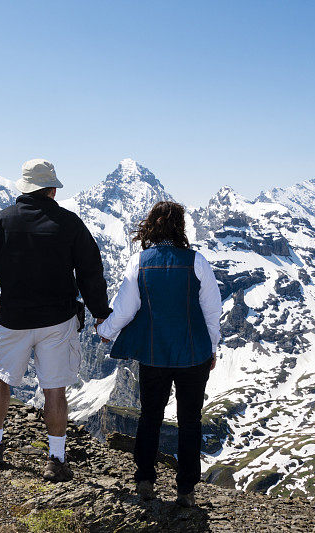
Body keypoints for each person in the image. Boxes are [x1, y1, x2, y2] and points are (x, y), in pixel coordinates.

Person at [0, 158, 111, 482]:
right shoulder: (70, 223)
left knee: (0, 378)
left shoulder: (0, 221)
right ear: (51, 190)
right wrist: (101, 312)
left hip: (12, 318)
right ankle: (56, 460)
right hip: (57, 321)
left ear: (24, 188)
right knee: (54, 389)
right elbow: (91, 273)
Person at [96, 201, 222, 507]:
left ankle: (145, 480)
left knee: (150, 416)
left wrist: (105, 331)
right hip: (194, 354)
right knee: (190, 419)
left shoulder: (139, 262)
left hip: (154, 355)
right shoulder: (197, 262)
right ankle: (186, 490)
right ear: (180, 227)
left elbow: (127, 308)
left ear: (151, 226)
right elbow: (212, 311)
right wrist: (213, 348)